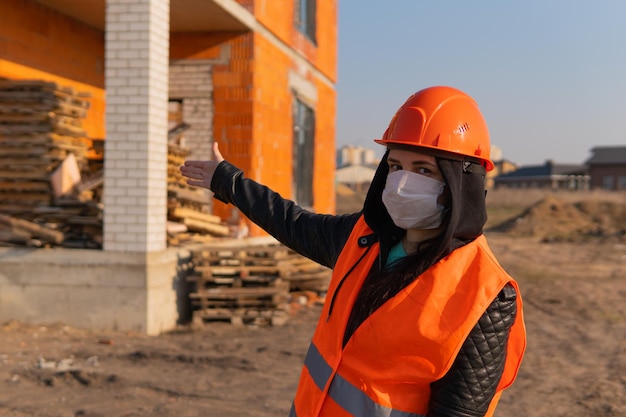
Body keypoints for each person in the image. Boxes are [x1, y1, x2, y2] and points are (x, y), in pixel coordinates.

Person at [180, 85, 526, 417]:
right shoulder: (362, 238)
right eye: (395, 166)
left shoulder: (488, 296)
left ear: (461, 184)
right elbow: (292, 222)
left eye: (423, 169)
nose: (403, 182)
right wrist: (228, 182)